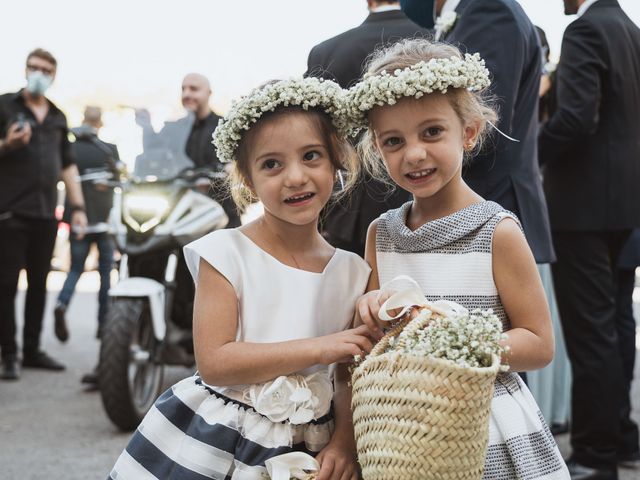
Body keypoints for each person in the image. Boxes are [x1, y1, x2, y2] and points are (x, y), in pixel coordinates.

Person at [108, 77, 373, 480]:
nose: (295, 177)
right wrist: (320, 347)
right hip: (222, 440)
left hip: (312, 445)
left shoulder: (353, 271)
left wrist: (344, 443)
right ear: (247, 180)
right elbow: (216, 362)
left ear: (337, 160)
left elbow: (346, 372)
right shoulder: (225, 252)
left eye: (312, 156)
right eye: (272, 164)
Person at [352, 39, 569, 478]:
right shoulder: (382, 234)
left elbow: (539, 343)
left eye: (431, 132)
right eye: (393, 141)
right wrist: (368, 311)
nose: (413, 153)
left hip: (482, 428)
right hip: (400, 431)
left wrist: (453, 345)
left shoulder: (496, 232)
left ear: (468, 132)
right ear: (377, 147)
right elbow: (369, 336)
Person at [538, 0, 640, 477]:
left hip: (581, 209)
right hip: (626, 206)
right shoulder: (631, 31)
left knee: (591, 334)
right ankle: (621, 436)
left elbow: (578, 118)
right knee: (618, 323)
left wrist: (528, 150)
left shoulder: (585, 31)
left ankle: (595, 454)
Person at [305, 0, 429, 257]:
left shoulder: (327, 51)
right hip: (426, 202)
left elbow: (312, 131)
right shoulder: (434, 42)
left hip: (348, 211)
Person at [0, 48, 87, 380]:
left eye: (45, 69)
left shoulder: (57, 116)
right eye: (33, 67)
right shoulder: (5, 105)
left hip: (45, 213)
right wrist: (7, 144)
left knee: (39, 283)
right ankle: (9, 353)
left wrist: (77, 207)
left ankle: (32, 349)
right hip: (9, 210)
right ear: (25, 70)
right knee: (6, 284)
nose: (38, 73)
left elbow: (68, 164)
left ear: (53, 76)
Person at [53, 106, 120, 386]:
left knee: (75, 269)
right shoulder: (107, 148)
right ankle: (104, 323)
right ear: (100, 123)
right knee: (106, 273)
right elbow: (119, 178)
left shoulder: (71, 150)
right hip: (102, 223)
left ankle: (61, 303)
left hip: (78, 219)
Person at [136, 73, 241, 227]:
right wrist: (146, 126)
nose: (187, 94)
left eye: (194, 89)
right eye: (183, 89)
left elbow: (236, 160)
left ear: (209, 93)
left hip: (218, 207)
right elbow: (154, 150)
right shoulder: (175, 127)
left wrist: (228, 167)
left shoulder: (225, 125)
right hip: (179, 207)